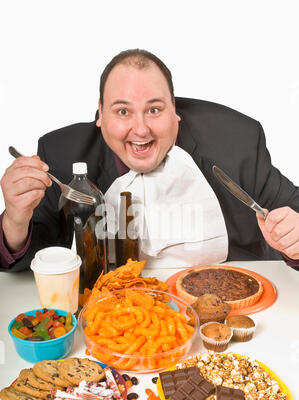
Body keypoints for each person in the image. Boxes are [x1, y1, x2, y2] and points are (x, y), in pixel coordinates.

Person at [0, 48, 299, 271]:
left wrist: (293, 237)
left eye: (154, 110)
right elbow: (34, 257)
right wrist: (15, 218)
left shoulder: (235, 140)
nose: (141, 129)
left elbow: (292, 210)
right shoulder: (62, 155)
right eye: (122, 111)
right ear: (100, 115)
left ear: (175, 110)